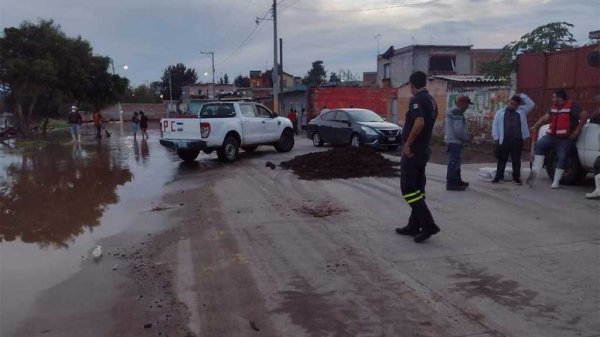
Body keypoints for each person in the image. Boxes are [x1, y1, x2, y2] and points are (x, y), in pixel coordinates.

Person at [395, 71, 440, 243]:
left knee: (408, 189)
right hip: (423, 150)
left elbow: (419, 122)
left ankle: (428, 225)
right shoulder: (431, 100)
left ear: (411, 85)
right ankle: (414, 225)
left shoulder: (417, 100)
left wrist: (407, 144)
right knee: (418, 188)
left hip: (413, 151)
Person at [528, 89, 588, 189]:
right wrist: (535, 126)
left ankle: (556, 181)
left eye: (554, 97)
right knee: (540, 144)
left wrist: (577, 130)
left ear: (560, 98)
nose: (552, 99)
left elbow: (585, 115)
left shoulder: (572, 106)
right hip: (552, 136)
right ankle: (536, 170)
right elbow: (545, 118)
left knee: (562, 156)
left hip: (566, 138)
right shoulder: (554, 107)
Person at [491, 93, 535, 184]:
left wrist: (522, 95)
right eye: (511, 103)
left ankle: (516, 178)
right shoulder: (500, 112)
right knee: (502, 159)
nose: (512, 106)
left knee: (516, 159)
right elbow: (495, 125)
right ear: (508, 102)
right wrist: (496, 138)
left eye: (515, 105)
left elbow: (531, 104)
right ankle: (499, 177)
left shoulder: (522, 111)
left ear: (518, 105)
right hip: (504, 139)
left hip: (517, 140)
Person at [444, 96, 472, 191]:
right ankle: (452, 183)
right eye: (467, 104)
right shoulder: (457, 112)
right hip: (454, 141)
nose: (467, 107)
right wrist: (467, 137)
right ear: (462, 103)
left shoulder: (452, 110)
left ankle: (457, 181)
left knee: (456, 162)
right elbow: (458, 130)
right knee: (454, 162)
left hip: (452, 140)